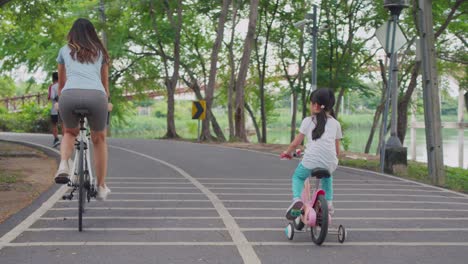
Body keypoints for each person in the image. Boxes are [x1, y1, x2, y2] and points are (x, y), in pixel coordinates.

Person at [54, 18, 112, 201]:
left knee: (69, 133)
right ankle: (101, 186)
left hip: (69, 96)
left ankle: (63, 164)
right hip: (96, 97)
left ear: (72, 33)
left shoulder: (64, 50)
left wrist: (60, 101)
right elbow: (105, 86)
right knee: (99, 138)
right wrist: (106, 102)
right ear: (92, 33)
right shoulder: (100, 52)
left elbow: (62, 85)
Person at [281, 88, 342, 219]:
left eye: (311, 102)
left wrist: (287, 153)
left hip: (310, 161)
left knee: (298, 177)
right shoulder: (336, 124)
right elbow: (337, 151)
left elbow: (295, 143)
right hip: (330, 162)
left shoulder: (308, 121)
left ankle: (297, 199)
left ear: (315, 105)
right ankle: (329, 202)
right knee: (328, 176)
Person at [48, 72, 61, 147]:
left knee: (54, 124)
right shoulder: (63, 85)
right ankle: (65, 139)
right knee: (64, 124)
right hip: (63, 108)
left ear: (53, 78)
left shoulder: (52, 87)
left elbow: (51, 96)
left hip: (55, 109)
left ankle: (56, 139)